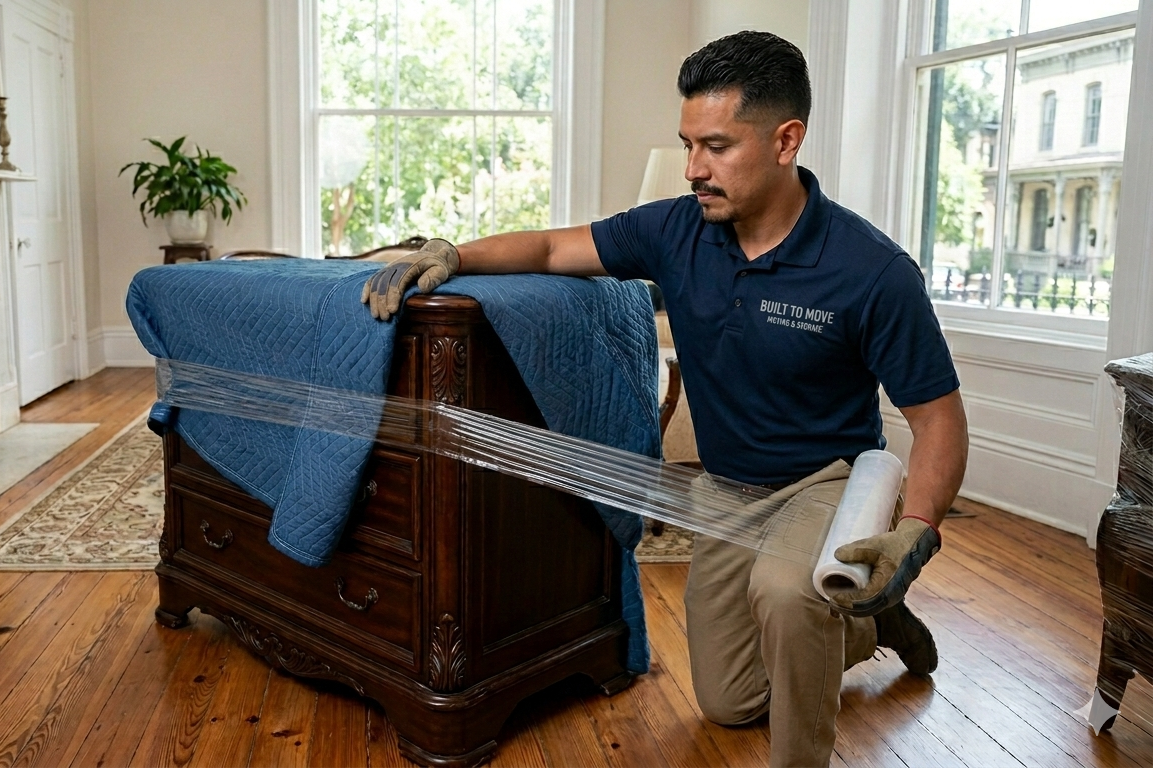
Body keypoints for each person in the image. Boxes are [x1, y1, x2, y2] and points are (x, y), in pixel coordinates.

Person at [359, 30, 968, 768]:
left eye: (715, 146)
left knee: (786, 594)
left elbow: (938, 419)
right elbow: (555, 249)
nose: (692, 169)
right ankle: (874, 628)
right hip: (725, 488)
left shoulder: (871, 271)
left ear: (786, 139)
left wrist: (917, 527)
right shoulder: (677, 228)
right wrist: (454, 252)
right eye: (687, 144)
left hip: (825, 480)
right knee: (729, 700)